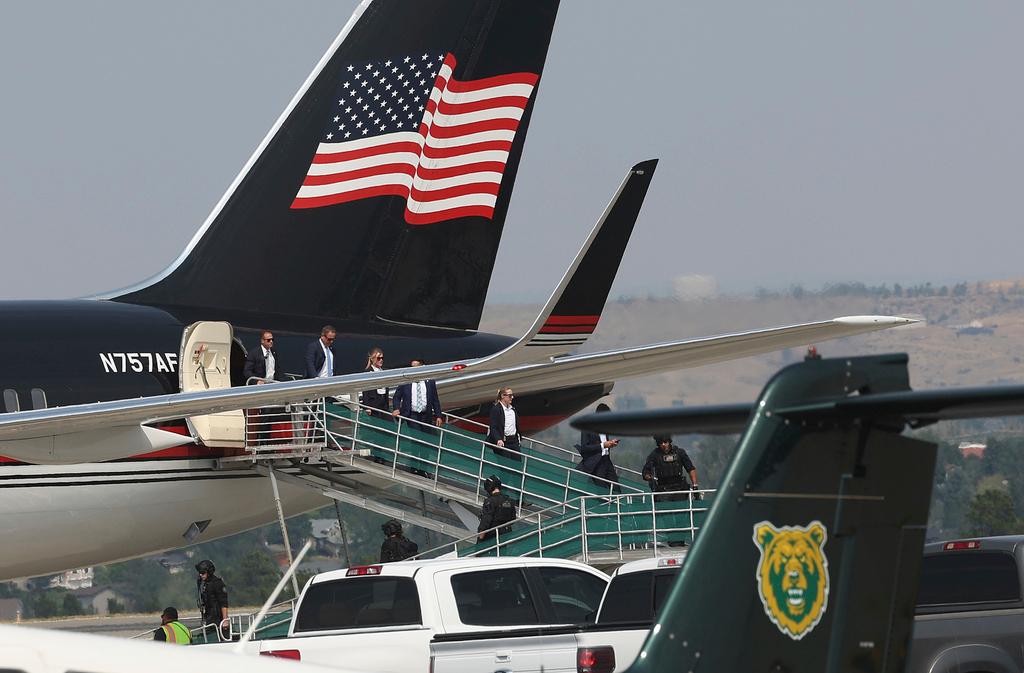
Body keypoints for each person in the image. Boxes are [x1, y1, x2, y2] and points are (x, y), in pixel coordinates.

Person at [243, 330, 285, 444]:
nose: (271, 342)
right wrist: (257, 381)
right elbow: (247, 371)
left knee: (271, 413)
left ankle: (267, 440)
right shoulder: (254, 353)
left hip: (272, 386)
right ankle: (262, 441)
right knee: (265, 413)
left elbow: (277, 370)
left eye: (272, 339)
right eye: (268, 340)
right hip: (261, 388)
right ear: (262, 341)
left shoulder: (274, 352)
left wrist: (281, 384)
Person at [576, 403, 620, 491]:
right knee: (601, 490)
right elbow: (585, 447)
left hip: (607, 461)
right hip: (596, 463)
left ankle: (615, 504)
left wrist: (611, 443)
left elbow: (605, 443)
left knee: (616, 489)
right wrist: (603, 445)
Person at [642, 435, 699, 501]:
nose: (663, 444)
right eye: (661, 443)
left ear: (669, 441)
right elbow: (646, 470)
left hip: (679, 489)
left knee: (681, 508)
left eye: (665, 442)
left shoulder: (679, 453)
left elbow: (690, 469)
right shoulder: (654, 455)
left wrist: (695, 485)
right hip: (663, 490)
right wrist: (648, 476)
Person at [391, 359, 443, 430]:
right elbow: (397, 397)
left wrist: (438, 416)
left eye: (416, 367)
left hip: (426, 415)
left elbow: (435, 399)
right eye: (412, 368)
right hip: (412, 415)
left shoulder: (430, 381)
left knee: (426, 436)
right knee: (416, 435)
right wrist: (396, 408)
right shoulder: (406, 382)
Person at [195, 559, 229, 640]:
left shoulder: (217, 583)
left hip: (217, 618)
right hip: (208, 616)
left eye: (203, 573)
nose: (200, 575)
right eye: (199, 573)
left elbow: (224, 603)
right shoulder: (202, 583)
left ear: (209, 572)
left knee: (220, 637)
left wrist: (225, 620)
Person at [477, 475, 517, 541]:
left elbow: (486, 520)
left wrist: (480, 537)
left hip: (490, 537)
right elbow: (513, 518)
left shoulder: (490, 501)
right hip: (504, 537)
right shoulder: (509, 500)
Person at [487, 387, 522, 460]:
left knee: (517, 465)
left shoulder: (513, 409)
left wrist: (518, 437)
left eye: (512, 395)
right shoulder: (496, 409)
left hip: (514, 441)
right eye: (510, 395)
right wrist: (498, 439)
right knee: (505, 466)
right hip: (503, 442)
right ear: (503, 396)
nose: (512, 397)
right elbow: (493, 427)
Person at [360, 347, 389, 416]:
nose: (381, 360)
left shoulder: (384, 371)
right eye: (378, 358)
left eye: (382, 358)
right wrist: (367, 407)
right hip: (374, 404)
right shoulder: (369, 372)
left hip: (383, 403)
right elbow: (365, 390)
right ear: (373, 359)